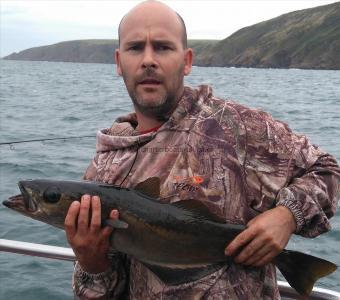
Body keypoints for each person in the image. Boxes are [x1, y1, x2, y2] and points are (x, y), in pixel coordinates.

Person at [65, 1, 340, 299]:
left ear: (186, 60)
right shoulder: (104, 168)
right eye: (134, 48)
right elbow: (101, 293)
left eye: (162, 47)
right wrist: (91, 263)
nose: (148, 60)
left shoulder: (238, 127)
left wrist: (287, 215)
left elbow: (327, 170)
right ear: (119, 62)